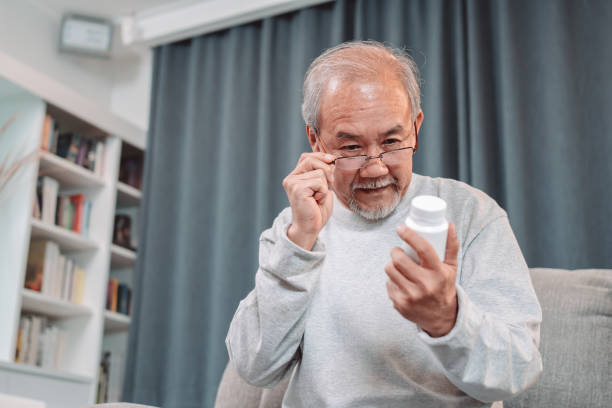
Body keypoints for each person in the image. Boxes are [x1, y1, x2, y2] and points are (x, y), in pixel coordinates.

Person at [226, 40, 542, 407]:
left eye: (392, 142)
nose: (375, 168)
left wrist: (448, 319)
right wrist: (299, 244)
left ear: (416, 128)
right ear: (315, 140)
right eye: (350, 148)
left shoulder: (472, 213)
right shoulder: (296, 225)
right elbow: (254, 368)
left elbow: (518, 372)